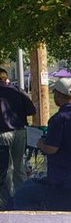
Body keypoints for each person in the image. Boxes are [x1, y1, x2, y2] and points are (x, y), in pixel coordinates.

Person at [13, 77, 71, 211]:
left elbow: (51, 148)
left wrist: (40, 143)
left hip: (64, 183)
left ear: (58, 95)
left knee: (22, 195)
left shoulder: (59, 118)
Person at [0, 68, 36, 206]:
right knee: (19, 165)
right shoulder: (17, 90)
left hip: (3, 133)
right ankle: (21, 197)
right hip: (20, 132)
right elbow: (32, 110)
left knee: (6, 168)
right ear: (6, 78)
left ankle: (8, 200)